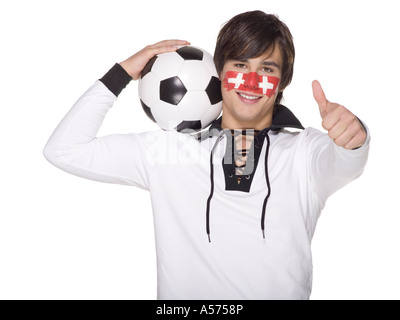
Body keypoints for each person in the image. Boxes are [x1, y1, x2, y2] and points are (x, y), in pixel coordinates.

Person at [43, 11, 370, 300]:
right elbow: (65, 149)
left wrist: (354, 138)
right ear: (218, 73)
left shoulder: (305, 151)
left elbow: (344, 161)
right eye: (240, 65)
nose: (251, 81)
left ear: (282, 80)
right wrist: (122, 73)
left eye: (266, 68)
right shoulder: (169, 150)